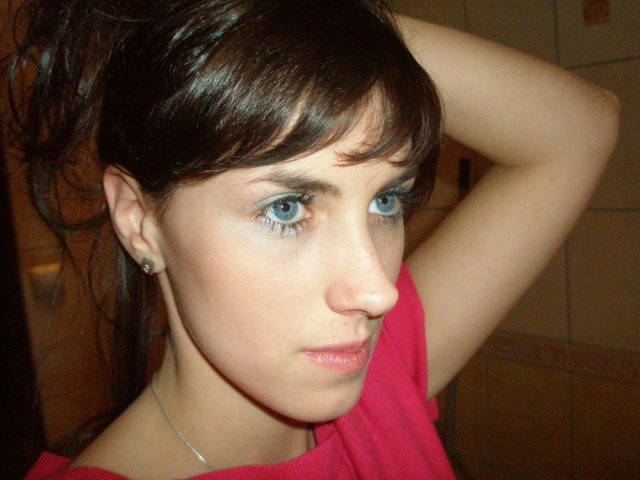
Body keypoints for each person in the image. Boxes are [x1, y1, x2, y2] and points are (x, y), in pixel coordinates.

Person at [8, 0, 619, 478]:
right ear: (138, 219)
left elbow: (582, 125)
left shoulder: (374, 380)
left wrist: (315, 19)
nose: (378, 293)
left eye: (385, 201)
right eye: (287, 208)